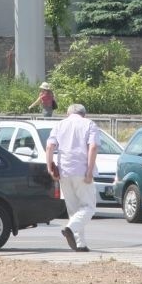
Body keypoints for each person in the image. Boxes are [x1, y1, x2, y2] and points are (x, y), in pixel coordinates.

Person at [45, 103, 99, 252]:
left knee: (74, 210)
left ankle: (80, 244)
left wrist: (49, 167)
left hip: (64, 172)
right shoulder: (89, 124)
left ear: (67, 114)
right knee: (89, 207)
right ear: (84, 114)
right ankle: (70, 228)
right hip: (81, 171)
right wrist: (89, 171)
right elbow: (93, 147)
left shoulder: (60, 125)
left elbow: (49, 147)